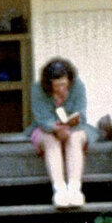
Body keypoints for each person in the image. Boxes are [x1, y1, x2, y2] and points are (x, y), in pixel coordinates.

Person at [28, 57, 89, 208]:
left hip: (72, 129)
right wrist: (55, 128)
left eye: (64, 84)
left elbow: (81, 112)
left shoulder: (78, 86)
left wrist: (71, 123)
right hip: (46, 129)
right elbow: (41, 118)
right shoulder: (37, 89)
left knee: (75, 138)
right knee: (50, 141)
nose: (61, 88)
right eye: (57, 85)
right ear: (49, 84)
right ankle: (59, 191)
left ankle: (74, 190)